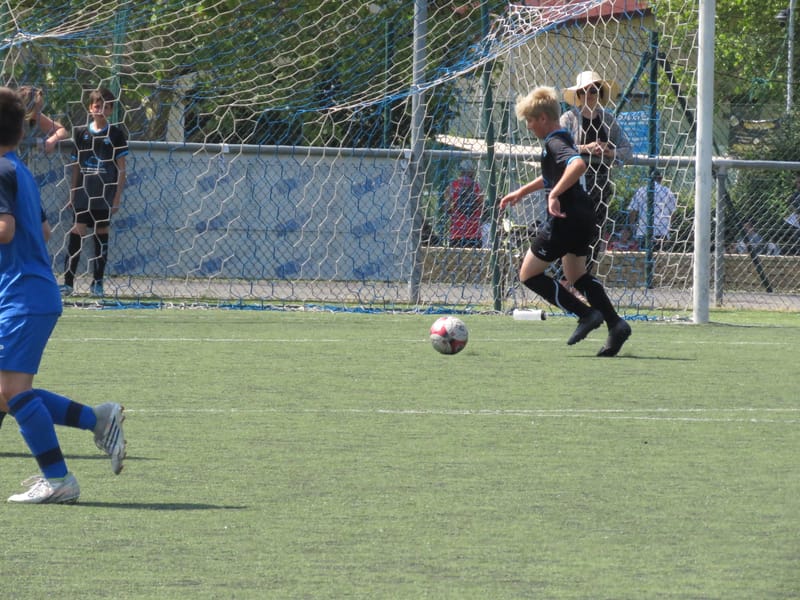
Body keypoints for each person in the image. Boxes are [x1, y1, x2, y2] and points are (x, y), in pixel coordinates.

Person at [0, 86, 126, 503]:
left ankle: (58, 479)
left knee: (12, 393)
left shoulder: (2, 170)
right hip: (25, 293)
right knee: (7, 395)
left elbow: (5, 231)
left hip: (23, 297)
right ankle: (97, 419)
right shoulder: (16, 169)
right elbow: (45, 230)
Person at [499, 86, 631, 357]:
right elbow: (554, 174)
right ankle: (615, 324)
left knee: (528, 274)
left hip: (566, 218)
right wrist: (522, 192)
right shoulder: (564, 137)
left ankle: (586, 315)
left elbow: (577, 166)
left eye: (531, 121)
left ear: (543, 119)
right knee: (576, 276)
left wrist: (555, 195)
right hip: (584, 215)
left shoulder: (554, 141)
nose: (529, 127)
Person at [560, 71, 632, 269]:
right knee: (571, 229)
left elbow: (627, 150)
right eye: (584, 91)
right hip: (574, 180)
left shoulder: (608, 120)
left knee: (595, 231)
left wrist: (610, 152)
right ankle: (566, 276)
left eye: (593, 90)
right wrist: (586, 148)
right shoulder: (569, 118)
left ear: (599, 94)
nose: (589, 94)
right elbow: (558, 147)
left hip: (600, 181)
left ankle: (585, 275)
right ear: (578, 95)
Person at [62, 88, 128, 297]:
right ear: (90, 107)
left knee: (101, 236)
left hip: (104, 196)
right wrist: (73, 194)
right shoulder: (81, 132)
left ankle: (97, 283)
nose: (101, 109)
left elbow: (122, 168)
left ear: (111, 110)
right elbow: (75, 167)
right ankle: (68, 283)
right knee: (77, 233)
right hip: (83, 194)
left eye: (106, 106)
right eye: (97, 105)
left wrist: (116, 198)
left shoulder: (116, 134)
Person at [627, 170, 677, 250]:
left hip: (644, 231)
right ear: (661, 179)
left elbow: (633, 211)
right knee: (660, 259)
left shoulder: (641, 191)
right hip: (661, 232)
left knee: (644, 258)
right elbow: (673, 213)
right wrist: (668, 226)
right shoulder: (667, 191)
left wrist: (633, 226)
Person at [17, 86, 70, 155]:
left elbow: (62, 131)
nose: (39, 111)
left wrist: (53, 140)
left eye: (40, 108)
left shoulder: (35, 115)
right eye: (38, 107)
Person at [444, 159, 483, 247]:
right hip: (474, 233)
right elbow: (482, 207)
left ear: (460, 171)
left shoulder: (452, 186)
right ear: (472, 172)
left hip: (456, 233)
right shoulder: (477, 187)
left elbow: (446, 209)